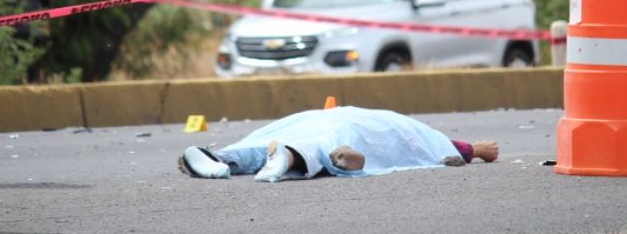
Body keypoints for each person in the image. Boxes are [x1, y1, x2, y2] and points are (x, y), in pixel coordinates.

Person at [178, 106, 499, 182]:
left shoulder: (384, 117)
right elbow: (455, 148)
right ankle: (288, 159)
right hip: (351, 133)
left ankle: (220, 157)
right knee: (323, 148)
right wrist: (480, 150)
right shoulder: (424, 136)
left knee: (264, 145)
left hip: (315, 118)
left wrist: (476, 150)